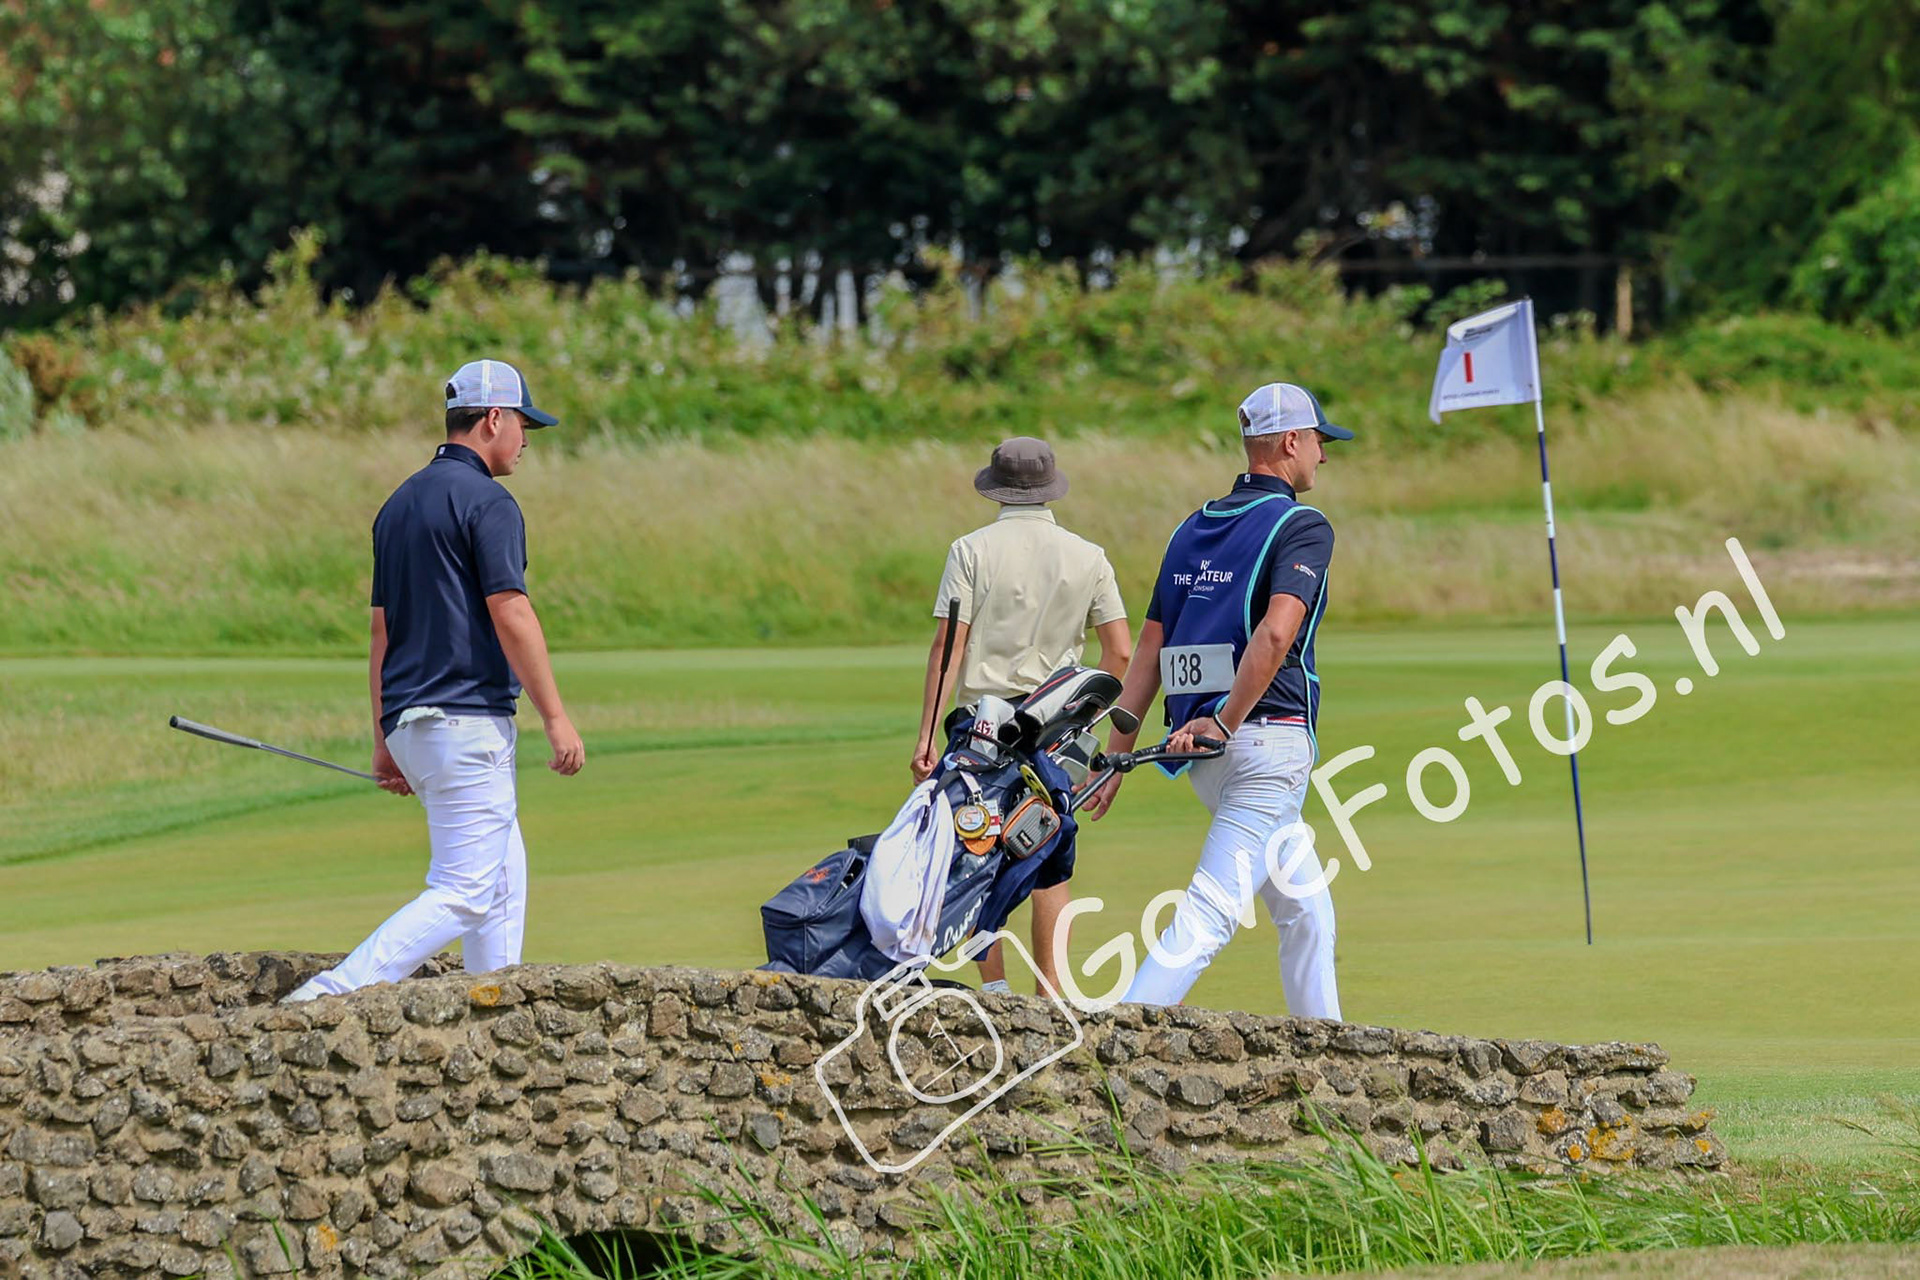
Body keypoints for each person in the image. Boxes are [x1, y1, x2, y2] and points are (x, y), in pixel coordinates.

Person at [286, 359, 585, 1002]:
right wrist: (555, 716)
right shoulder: (490, 502)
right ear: (494, 419)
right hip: (465, 723)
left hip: (414, 727)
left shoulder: (396, 505)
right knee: (468, 887)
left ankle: (494, 1015)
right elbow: (511, 610)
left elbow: (380, 634)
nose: (527, 440)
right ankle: (328, 997)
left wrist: (382, 739)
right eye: (524, 424)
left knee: (504, 875)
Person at [1082, 383, 1352, 1017]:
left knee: (1305, 908)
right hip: (1261, 745)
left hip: (1208, 755)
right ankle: (1122, 1037)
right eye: (1319, 441)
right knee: (1211, 909)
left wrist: (1116, 756)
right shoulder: (1302, 525)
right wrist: (1225, 722)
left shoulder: (1190, 528)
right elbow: (1277, 632)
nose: (1324, 455)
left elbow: (1148, 651)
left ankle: (1331, 1047)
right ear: (1290, 442)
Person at [912, 436, 1132, 997]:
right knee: (1048, 858)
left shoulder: (970, 550)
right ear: (1050, 488)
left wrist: (925, 738)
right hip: (1059, 722)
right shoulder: (1089, 556)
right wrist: (1093, 731)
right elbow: (1121, 653)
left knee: (976, 850)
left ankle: (995, 990)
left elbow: (948, 648)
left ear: (998, 489)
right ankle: (1051, 991)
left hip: (983, 722)